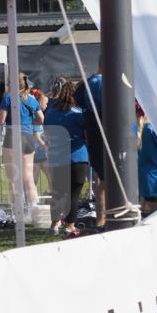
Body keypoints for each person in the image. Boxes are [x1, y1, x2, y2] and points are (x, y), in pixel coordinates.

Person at [43, 81, 90, 236]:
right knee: (74, 194)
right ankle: (70, 226)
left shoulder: (50, 112)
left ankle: (54, 225)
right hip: (78, 157)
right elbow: (87, 134)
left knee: (57, 192)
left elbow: (47, 132)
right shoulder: (80, 113)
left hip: (57, 157)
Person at [0, 72, 45, 217]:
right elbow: (41, 118)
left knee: (13, 178)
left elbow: (1, 120)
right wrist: (29, 123)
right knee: (28, 177)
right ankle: (34, 210)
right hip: (28, 136)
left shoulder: (8, 97)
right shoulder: (31, 98)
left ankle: (16, 213)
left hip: (12, 135)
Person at [74, 64, 106, 230]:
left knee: (104, 179)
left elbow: (78, 100)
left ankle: (102, 219)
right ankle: (104, 219)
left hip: (93, 133)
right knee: (107, 179)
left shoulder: (88, 83)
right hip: (102, 133)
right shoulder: (100, 82)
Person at [136, 103, 157, 215]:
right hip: (155, 178)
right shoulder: (151, 128)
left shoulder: (134, 128)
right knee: (153, 213)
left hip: (141, 176)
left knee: (142, 209)